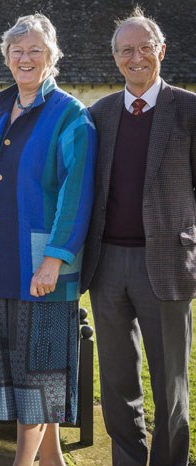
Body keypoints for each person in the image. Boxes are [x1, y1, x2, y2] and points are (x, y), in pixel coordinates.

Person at [0, 14, 96, 466]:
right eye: (17, 52)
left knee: (38, 377)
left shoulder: (71, 116)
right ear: (7, 58)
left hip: (42, 271)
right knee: (17, 375)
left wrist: (54, 261)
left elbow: (76, 194)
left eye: (35, 51)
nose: (25, 59)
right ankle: (53, 462)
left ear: (52, 57)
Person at [81, 7, 196, 466]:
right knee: (116, 379)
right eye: (126, 50)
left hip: (166, 264)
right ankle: (127, 459)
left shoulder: (188, 110)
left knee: (170, 381)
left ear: (161, 51)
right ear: (115, 59)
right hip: (107, 264)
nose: (136, 57)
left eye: (144, 47)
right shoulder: (99, 115)